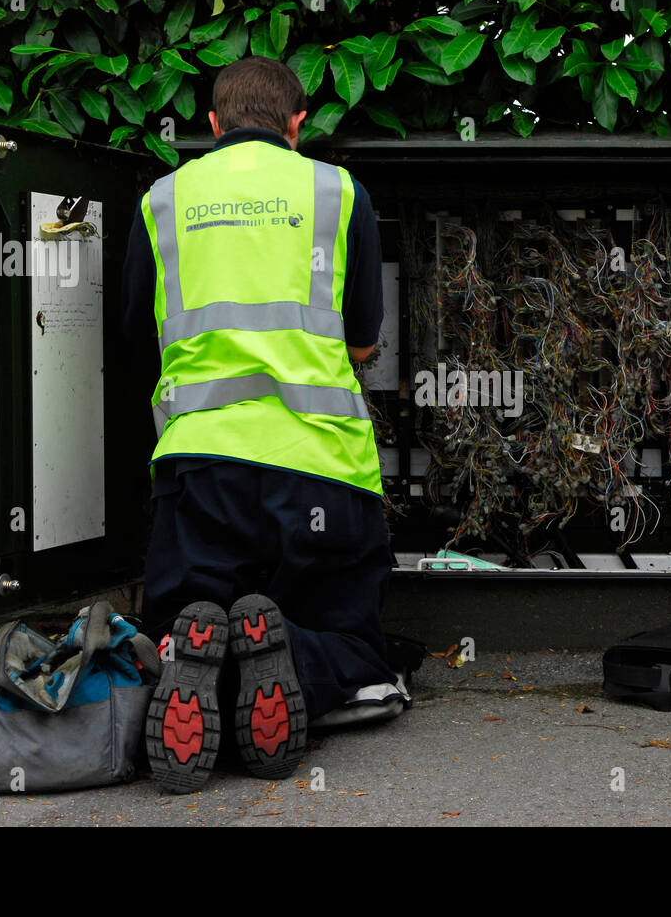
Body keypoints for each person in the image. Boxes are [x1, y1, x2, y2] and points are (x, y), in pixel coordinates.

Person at [120, 56, 406, 793]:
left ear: (211, 125)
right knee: (355, 641)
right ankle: (294, 668)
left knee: (177, 630)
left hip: (197, 469)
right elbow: (364, 340)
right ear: (297, 124)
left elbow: (133, 343)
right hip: (320, 469)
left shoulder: (162, 200)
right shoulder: (337, 192)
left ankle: (202, 664)